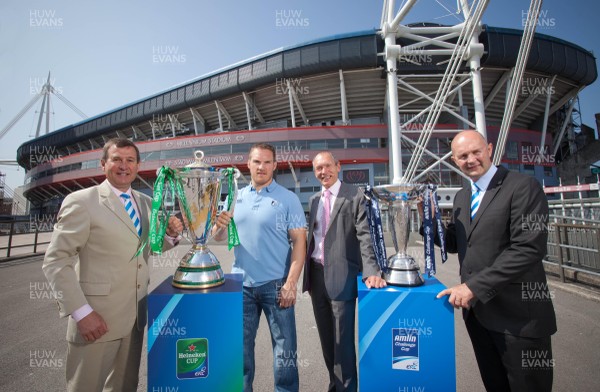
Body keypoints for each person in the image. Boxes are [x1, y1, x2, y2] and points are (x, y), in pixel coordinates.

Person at [43, 138, 183, 392]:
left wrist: (171, 236)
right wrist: (81, 313)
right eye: (116, 159)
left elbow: (148, 247)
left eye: (130, 160)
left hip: (134, 320)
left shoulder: (145, 202)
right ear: (103, 164)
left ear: (138, 166)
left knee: (125, 386)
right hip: (96, 321)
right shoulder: (83, 201)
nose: (123, 166)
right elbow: (56, 261)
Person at [434, 130, 557, 392]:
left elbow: (528, 248)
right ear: (455, 161)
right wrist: (427, 221)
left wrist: (472, 288)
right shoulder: (462, 197)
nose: (471, 159)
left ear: (490, 149)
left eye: (476, 152)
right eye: (463, 156)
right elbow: (455, 243)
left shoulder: (523, 187)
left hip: (519, 321)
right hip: (479, 317)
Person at [214, 143, 307, 392]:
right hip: (240, 285)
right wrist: (220, 225)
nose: (262, 167)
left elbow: (299, 242)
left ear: (275, 165)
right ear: (248, 164)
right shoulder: (235, 197)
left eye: (267, 162)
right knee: (241, 352)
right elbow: (218, 236)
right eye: (257, 162)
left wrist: (291, 283)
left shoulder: (289, 199)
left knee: (284, 352)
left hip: (276, 285)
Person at [302, 151, 386, 392]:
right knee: (328, 342)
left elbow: (364, 235)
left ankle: (347, 388)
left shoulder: (355, 195)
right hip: (316, 277)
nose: (323, 172)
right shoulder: (314, 200)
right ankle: (334, 385)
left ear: (338, 166)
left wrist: (371, 270)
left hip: (342, 277)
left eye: (327, 166)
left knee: (343, 344)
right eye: (318, 168)